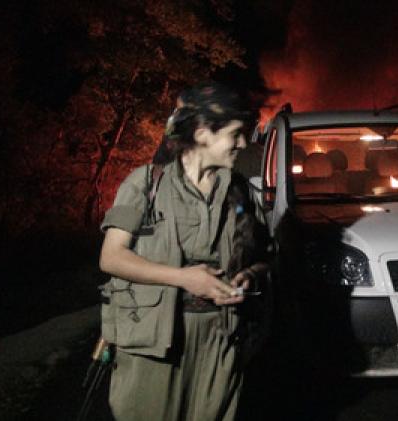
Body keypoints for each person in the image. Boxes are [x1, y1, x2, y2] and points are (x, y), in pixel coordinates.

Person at [98, 81, 270, 420]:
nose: (243, 143)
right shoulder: (146, 184)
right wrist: (183, 279)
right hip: (155, 343)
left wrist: (249, 275)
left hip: (220, 340)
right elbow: (111, 257)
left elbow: (266, 256)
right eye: (235, 133)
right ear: (204, 133)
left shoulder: (240, 194)